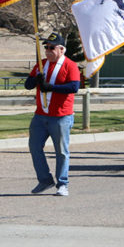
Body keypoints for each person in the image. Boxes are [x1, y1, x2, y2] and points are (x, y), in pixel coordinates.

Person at [24, 32, 80, 196]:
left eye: (52, 48)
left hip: (61, 116)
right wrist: (36, 79)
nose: (48, 51)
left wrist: (51, 87)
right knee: (34, 147)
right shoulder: (41, 65)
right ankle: (44, 180)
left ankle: (62, 183)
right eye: (46, 47)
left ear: (61, 49)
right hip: (40, 115)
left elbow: (74, 87)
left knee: (61, 151)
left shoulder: (70, 65)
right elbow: (28, 85)